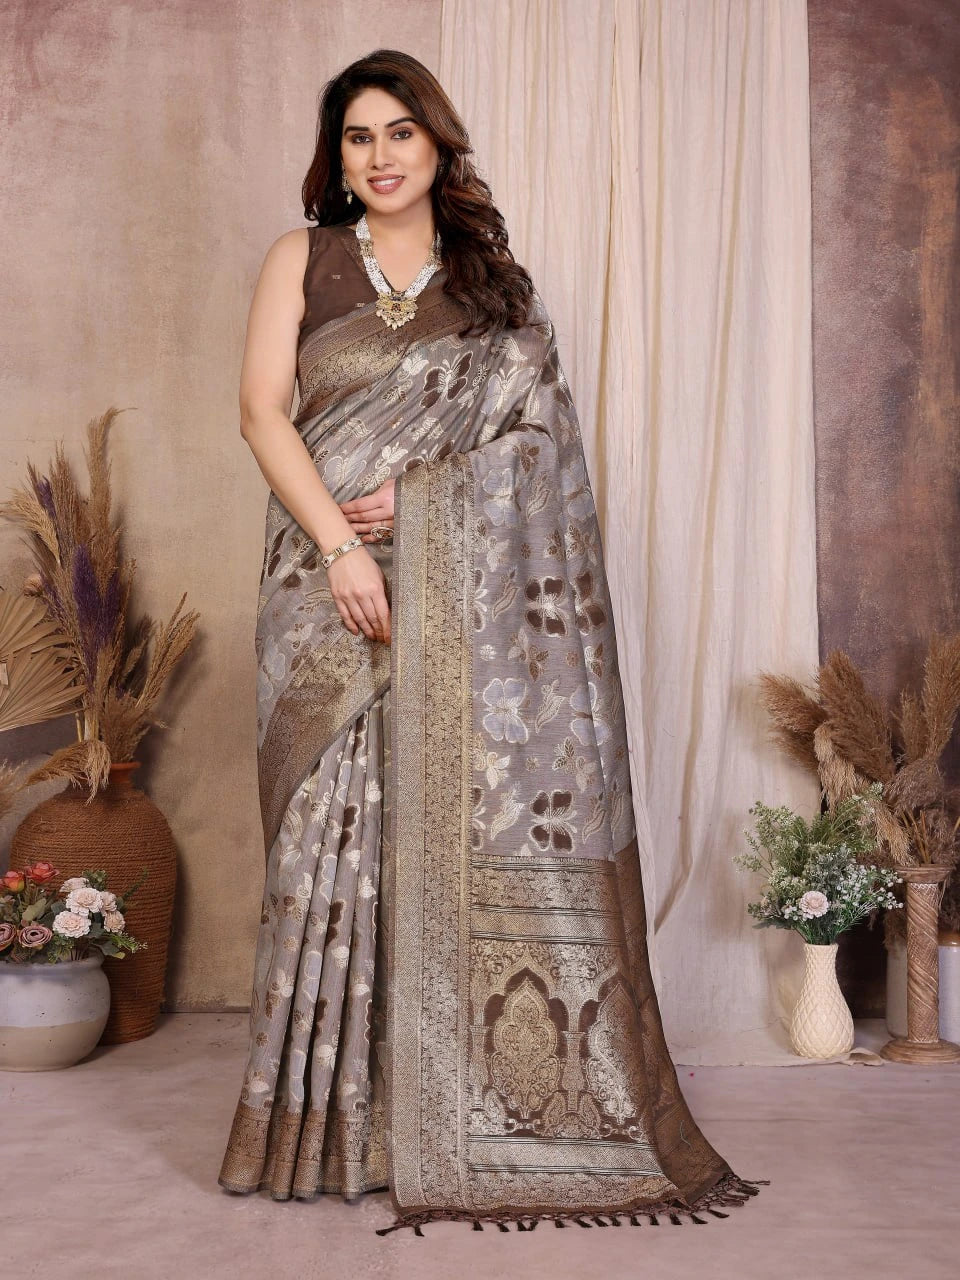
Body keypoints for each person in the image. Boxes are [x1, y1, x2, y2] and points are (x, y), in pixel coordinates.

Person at [217, 47, 767, 1235]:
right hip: (326, 591)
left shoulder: (491, 284)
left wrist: (423, 510)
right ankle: (326, 1131)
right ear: (338, 156)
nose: (381, 154)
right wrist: (345, 548)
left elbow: (537, 448)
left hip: (459, 594)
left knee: (438, 838)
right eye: (360, 136)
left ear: (438, 142)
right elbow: (263, 411)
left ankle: (449, 1112)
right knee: (329, 846)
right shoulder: (300, 261)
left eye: (400, 132)